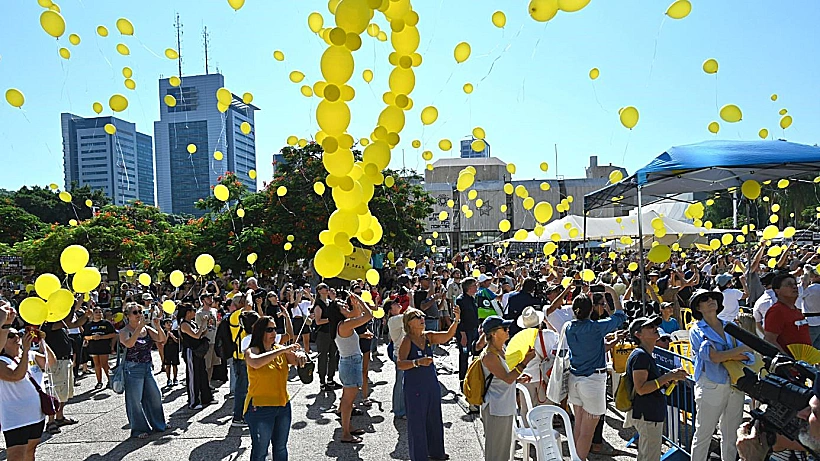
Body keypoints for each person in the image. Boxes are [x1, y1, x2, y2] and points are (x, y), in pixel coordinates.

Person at [688, 289, 753, 461]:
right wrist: (737, 352)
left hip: (735, 385)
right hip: (711, 386)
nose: (710, 300)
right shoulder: (696, 330)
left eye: (712, 297)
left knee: (731, 436)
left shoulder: (730, 326)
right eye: (704, 299)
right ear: (698, 307)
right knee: (703, 435)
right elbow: (713, 357)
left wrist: (727, 354)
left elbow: (748, 355)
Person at [564, 285, 627, 461]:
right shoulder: (595, 327)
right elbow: (621, 316)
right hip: (592, 382)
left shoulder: (569, 326)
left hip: (575, 379)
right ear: (591, 309)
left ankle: (576, 458)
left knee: (579, 427)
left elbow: (595, 347)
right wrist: (613, 294)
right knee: (587, 432)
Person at [397, 303, 461, 460]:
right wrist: (417, 362)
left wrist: (456, 320)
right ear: (409, 322)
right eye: (417, 317)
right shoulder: (407, 340)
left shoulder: (427, 336)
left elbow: (447, 336)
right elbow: (400, 364)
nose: (422, 319)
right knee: (417, 422)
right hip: (415, 385)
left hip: (430, 383)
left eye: (422, 316)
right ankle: (419, 456)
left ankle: (436, 452)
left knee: (434, 418)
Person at [244, 315, 307, 461]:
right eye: (269, 329)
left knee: (280, 448)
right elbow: (255, 363)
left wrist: (300, 355)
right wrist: (282, 350)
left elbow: (296, 360)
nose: (274, 333)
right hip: (260, 408)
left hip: (283, 406)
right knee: (260, 451)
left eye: (275, 329)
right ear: (260, 332)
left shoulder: (280, 349)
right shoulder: (251, 351)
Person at [625, 316, 688, 461]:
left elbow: (649, 383)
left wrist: (667, 380)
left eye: (654, 326)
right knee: (649, 456)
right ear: (638, 334)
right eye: (649, 327)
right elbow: (641, 388)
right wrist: (668, 377)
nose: (655, 328)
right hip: (647, 413)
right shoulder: (641, 356)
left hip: (650, 413)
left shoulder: (645, 354)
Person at [480, 316, 535, 461]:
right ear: (493, 334)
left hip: (504, 406)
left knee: (503, 451)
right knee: (496, 452)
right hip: (496, 408)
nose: (507, 330)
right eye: (504, 328)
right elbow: (507, 378)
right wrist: (525, 362)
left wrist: (519, 378)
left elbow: (506, 377)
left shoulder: (502, 349)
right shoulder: (489, 356)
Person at [0, 324, 56, 461]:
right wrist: (25, 351)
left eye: (17, 334)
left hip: (36, 414)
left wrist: (42, 341)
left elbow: (51, 363)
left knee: (30, 451)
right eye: (10, 336)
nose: (16, 337)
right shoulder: (2, 361)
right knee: (16, 456)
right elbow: (16, 376)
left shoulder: (31, 354)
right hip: (16, 418)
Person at [42, 298, 91, 435]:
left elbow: (73, 324)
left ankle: (60, 417)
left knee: (65, 392)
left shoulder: (60, 326)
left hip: (65, 360)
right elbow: (67, 322)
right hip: (56, 363)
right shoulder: (47, 325)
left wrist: (86, 316)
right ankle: (51, 422)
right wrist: (71, 307)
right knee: (54, 393)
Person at [119, 302, 167, 439]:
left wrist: (157, 326)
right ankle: (139, 429)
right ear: (127, 316)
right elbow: (129, 344)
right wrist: (138, 329)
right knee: (135, 401)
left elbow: (161, 339)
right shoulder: (124, 331)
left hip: (147, 367)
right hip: (132, 369)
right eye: (135, 312)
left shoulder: (146, 329)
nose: (139, 315)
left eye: (140, 312)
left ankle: (159, 424)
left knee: (155, 396)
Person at [335, 293, 373, 444]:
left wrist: (355, 303)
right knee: (348, 400)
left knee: (348, 399)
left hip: (349, 362)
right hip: (350, 363)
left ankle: (348, 427)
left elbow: (357, 314)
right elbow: (368, 315)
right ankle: (345, 433)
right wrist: (361, 300)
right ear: (338, 312)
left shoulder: (343, 323)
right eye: (343, 307)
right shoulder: (344, 324)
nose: (346, 306)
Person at [519, 306, 558, 407]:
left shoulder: (519, 339)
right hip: (544, 376)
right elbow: (559, 337)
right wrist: (547, 323)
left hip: (526, 376)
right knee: (545, 409)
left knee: (526, 409)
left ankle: (527, 424)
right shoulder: (549, 335)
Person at [179, 304, 214, 410]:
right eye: (193, 310)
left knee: (202, 374)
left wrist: (207, 326)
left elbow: (201, 334)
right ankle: (193, 401)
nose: (195, 312)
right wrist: (202, 323)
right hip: (191, 352)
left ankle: (206, 398)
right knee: (193, 376)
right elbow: (196, 335)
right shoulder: (184, 325)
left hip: (198, 352)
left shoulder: (192, 323)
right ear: (188, 312)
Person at [765, 273, 811, 352]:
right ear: (777, 290)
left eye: (795, 284)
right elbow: (770, 340)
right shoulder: (776, 311)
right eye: (789, 285)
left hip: (804, 360)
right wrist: (787, 359)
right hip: (790, 362)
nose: (794, 287)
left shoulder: (796, 311)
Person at [314, 283, 342, 391]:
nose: (326, 289)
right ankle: (322, 382)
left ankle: (330, 379)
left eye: (327, 287)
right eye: (323, 288)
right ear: (319, 291)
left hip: (332, 333)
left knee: (333, 356)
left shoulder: (330, 302)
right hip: (323, 334)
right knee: (323, 357)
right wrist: (330, 320)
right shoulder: (318, 304)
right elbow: (318, 321)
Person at [83, 306, 117, 389]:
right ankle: (99, 382)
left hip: (104, 346)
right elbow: (85, 336)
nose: (98, 314)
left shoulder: (106, 323)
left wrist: (101, 337)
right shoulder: (89, 325)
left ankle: (110, 380)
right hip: (93, 347)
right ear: (93, 314)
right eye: (96, 312)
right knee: (96, 365)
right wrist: (92, 337)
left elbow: (113, 334)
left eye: (100, 312)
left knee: (104, 364)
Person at [456, 277, 480, 388]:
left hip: (474, 330)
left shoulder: (472, 299)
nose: (477, 287)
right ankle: (462, 379)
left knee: (476, 354)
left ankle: (474, 376)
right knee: (464, 356)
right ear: (469, 288)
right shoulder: (460, 300)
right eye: (475, 285)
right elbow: (460, 319)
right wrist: (462, 335)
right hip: (465, 333)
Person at [385, 299, 406, 418]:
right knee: (400, 382)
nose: (398, 303)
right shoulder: (394, 319)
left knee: (403, 381)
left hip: (403, 353)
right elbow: (415, 315)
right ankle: (399, 410)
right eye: (394, 303)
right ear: (390, 310)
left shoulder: (399, 318)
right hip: (400, 354)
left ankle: (401, 408)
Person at [801, 266, 820, 349]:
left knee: (808, 347)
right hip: (816, 320)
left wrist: (806, 273)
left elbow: (801, 290)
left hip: (811, 322)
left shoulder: (811, 289)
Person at [160, 319, 180, 387]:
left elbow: (178, 341)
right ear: (164, 325)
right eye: (167, 323)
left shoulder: (175, 331)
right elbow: (163, 343)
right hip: (167, 351)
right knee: (168, 365)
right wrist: (167, 336)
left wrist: (173, 337)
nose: (169, 324)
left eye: (170, 323)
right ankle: (168, 379)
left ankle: (175, 378)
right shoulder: (163, 332)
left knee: (175, 365)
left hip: (174, 350)